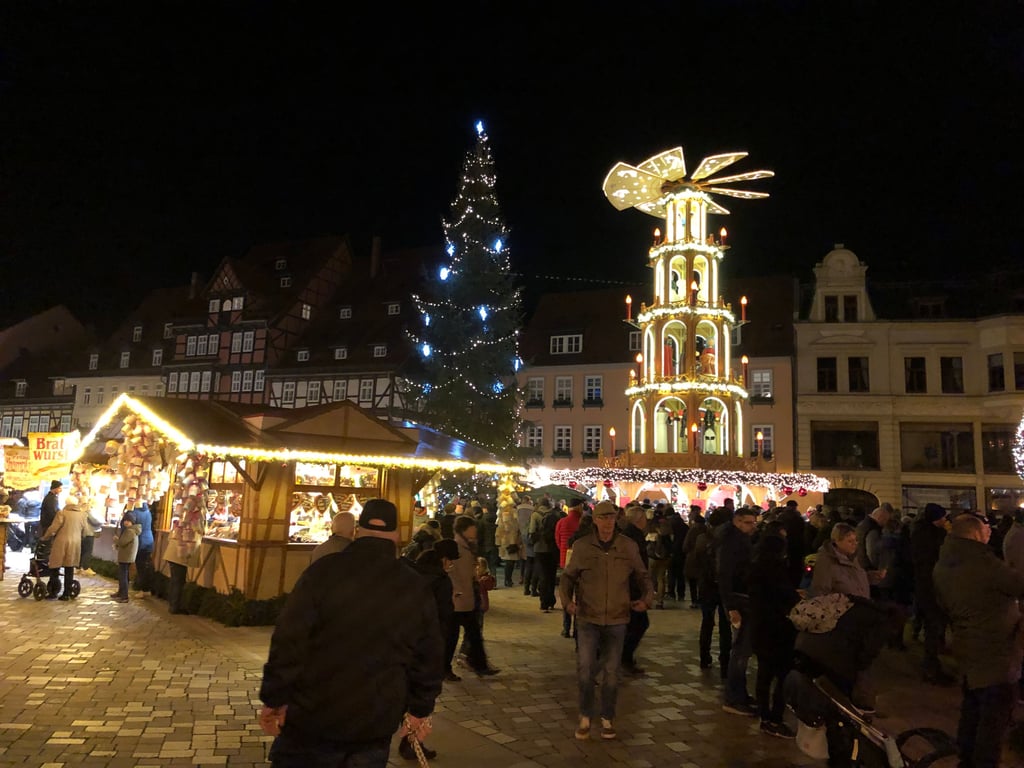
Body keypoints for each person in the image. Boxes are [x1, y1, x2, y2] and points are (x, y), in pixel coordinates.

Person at [259, 499, 443, 768]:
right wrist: (420, 709)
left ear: (357, 530)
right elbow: (429, 655)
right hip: (374, 720)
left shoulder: (322, 573)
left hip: (312, 714)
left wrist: (275, 697)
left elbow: (289, 640)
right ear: (396, 536)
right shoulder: (414, 586)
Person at [933, 513, 1024, 768]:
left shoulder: (946, 562)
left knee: (974, 708)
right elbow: (1019, 584)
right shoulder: (982, 563)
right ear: (974, 533)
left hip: (968, 644)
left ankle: (966, 758)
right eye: (985, 529)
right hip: (995, 649)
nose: (990, 532)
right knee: (994, 718)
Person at [559, 500, 652, 741]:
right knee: (586, 669)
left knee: (611, 672)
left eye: (611, 517)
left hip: (618, 617)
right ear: (595, 520)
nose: (608, 522)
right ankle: (585, 715)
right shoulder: (582, 547)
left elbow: (643, 575)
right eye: (603, 517)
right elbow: (567, 577)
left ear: (616, 519)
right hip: (588, 616)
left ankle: (607, 717)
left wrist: (647, 598)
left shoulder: (627, 546)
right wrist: (567, 602)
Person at [748, 533, 800, 738]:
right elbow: (786, 596)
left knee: (764, 673)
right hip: (778, 629)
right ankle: (775, 718)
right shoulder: (776, 569)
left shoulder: (755, 567)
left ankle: (764, 715)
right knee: (782, 675)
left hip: (760, 627)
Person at [447, 515, 499, 677]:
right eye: (472, 527)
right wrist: (455, 591)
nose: (475, 530)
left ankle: (478, 664)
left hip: (467, 598)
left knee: (473, 634)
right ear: (464, 529)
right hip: (458, 600)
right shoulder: (455, 549)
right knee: (452, 637)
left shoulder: (468, 547)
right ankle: (446, 668)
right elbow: (450, 573)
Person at [719, 506, 758, 716]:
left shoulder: (738, 539)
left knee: (742, 650)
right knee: (740, 652)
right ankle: (734, 697)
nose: (752, 527)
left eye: (754, 523)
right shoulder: (731, 542)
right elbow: (724, 574)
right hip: (738, 600)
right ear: (737, 521)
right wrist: (731, 606)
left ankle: (740, 694)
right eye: (748, 523)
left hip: (742, 597)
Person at [911, 503, 954, 685]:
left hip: (924, 586)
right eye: (943, 517)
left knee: (932, 627)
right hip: (932, 587)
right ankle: (931, 668)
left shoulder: (918, 533)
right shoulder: (935, 537)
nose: (945, 520)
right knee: (934, 627)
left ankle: (931, 665)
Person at [620, 504, 651, 675]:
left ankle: (623, 658)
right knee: (639, 623)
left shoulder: (628, 535)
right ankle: (623, 657)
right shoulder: (634, 538)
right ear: (640, 520)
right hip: (632, 588)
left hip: (629, 587)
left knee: (631, 624)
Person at [40, 493, 90, 600]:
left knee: (55, 566)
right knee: (69, 567)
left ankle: (53, 591)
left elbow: (54, 528)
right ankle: (66, 593)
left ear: (66, 503)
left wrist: (45, 537)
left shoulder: (62, 513)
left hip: (61, 542)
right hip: (75, 543)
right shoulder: (82, 515)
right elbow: (85, 531)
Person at [164, 495, 208, 615]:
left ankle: (173, 604)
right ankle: (175, 606)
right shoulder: (193, 520)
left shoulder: (182, 519)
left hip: (174, 554)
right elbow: (201, 532)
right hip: (180, 555)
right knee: (178, 581)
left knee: (175, 580)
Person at [855, 504, 892, 598]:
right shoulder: (873, 530)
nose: (885, 524)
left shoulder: (862, 525)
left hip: (861, 565)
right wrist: (876, 569)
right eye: (885, 520)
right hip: (869, 569)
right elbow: (872, 552)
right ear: (880, 518)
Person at [111, 510, 141, 603]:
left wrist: (116, 540)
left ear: (132, 522)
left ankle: (124, 596)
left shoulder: (130, 531)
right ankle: (121, 593)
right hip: (127, 556)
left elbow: (122, 542)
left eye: (128, 520)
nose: (126, 522)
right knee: (123, 575)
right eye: (125, 520)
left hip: (126, 556)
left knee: (123, 576)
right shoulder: (131, 530)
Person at [39, 480, 63, 595]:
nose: (61, 490)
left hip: (46, 525)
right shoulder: (52, 499)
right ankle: (46, 565)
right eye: (60, 488)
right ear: (55, 488)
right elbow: (53, 514)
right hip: (48, 527)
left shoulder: (50, 498)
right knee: (47, 548)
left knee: (46, 547)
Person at [495, 502, 522, 588]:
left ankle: (508, 579)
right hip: (510, 541)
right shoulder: (512, 515)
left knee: (509, 562)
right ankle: (508, 580)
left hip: (507, 541)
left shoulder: (503, 516)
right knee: (510, 562)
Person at [132, 501, 155, 593]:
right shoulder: (148, 512)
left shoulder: (134, 512)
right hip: (149, 539)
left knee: (141, 566)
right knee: (146, 565)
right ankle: (147, 589)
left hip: (141, 540)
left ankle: (143, 589)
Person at [516, 495, 538, 594]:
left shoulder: (517, 509)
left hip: (521, 536)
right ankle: (533, 588)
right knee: (533, 563)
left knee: (524, 561)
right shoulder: (533, 511)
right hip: (531, 539)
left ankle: (524, 582)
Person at [79, 503, 105, 576]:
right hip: (89, 533)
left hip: (82, 533)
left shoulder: (80, 512)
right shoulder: (89, 512)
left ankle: (78, 567)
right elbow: (98, 521)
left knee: (82, 551)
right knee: (88, 551)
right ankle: (85, 568)